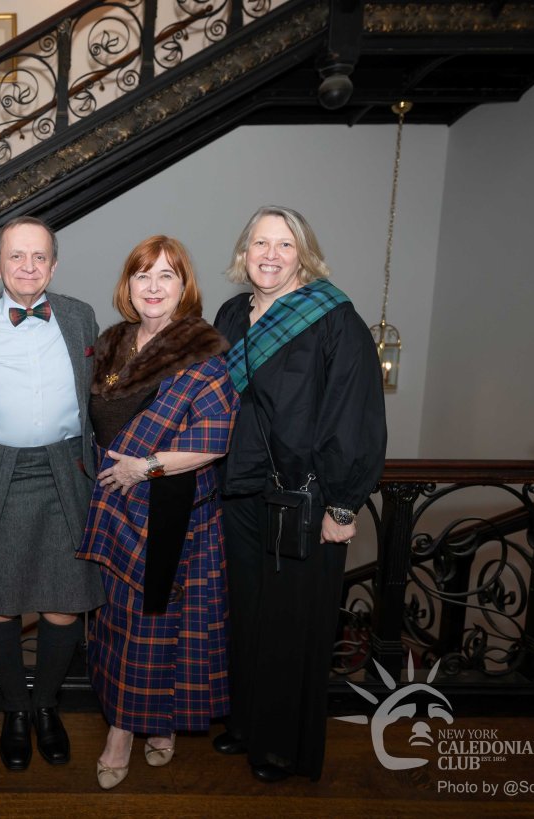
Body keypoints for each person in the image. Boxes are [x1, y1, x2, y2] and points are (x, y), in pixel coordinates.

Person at [211, 205, 386, 783]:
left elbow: (353, 413)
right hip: (239, 491)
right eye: (260, 243)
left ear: (303, 255)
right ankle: (246, 723)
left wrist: (343, 504)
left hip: (306, 499)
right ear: (244, 252)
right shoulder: (232, 314)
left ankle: (281, 746)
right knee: (247, 616)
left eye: (285, 245)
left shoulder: (335, 320)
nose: (270, 255)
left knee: (291, 625)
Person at [77, 236, 238, 790]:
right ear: (128, 285)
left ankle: (133, 729)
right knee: (118, 623)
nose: (153, 286)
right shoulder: (112, 342)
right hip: (115, 506)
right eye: (143, 275)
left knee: (163, 625)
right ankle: (129, 721)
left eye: (166, 275)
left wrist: (142, 468)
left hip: (173, 509)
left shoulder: (202, 352)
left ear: (183, 287)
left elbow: (214, 440)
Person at [0, 216, 105, 772]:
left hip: (67, 473)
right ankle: (14, 711)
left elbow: (101, 398)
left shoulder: (80, 316)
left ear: (54, 265)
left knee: (65, 603)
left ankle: (46, 706)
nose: (28, 266)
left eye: (39, 256)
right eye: (16, 256)